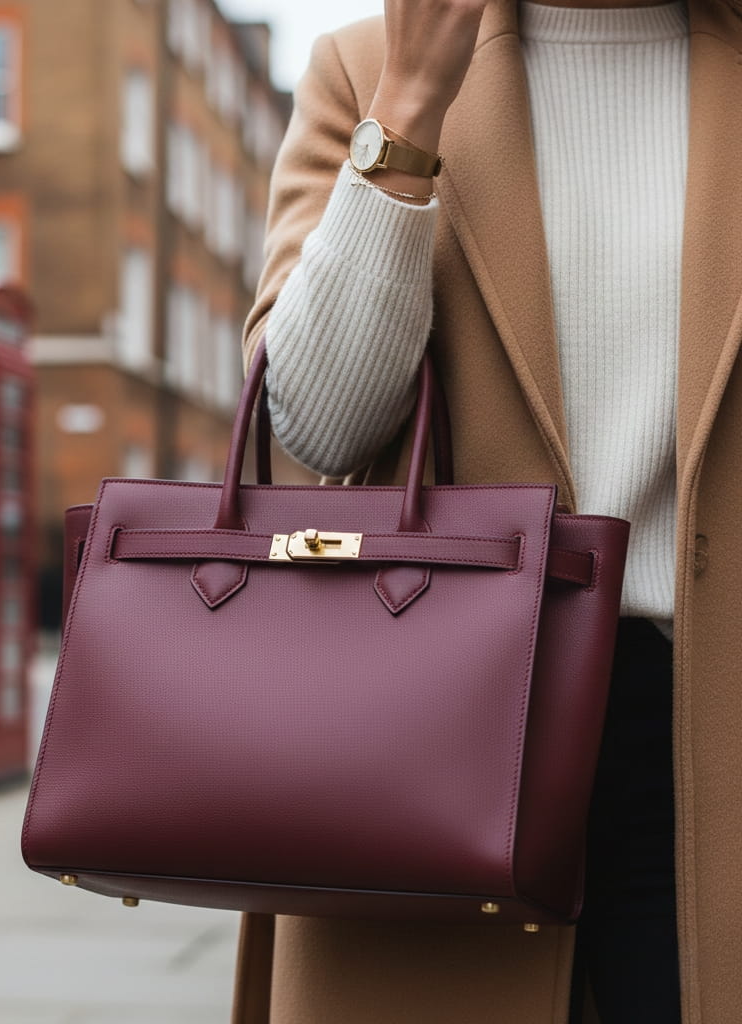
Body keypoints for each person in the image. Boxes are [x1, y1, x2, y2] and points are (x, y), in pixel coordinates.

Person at [235, 1, 742, 1021]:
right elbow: (321, 427)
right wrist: (410, 112)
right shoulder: (366, 66)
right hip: (430, 720)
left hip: (710, 721)